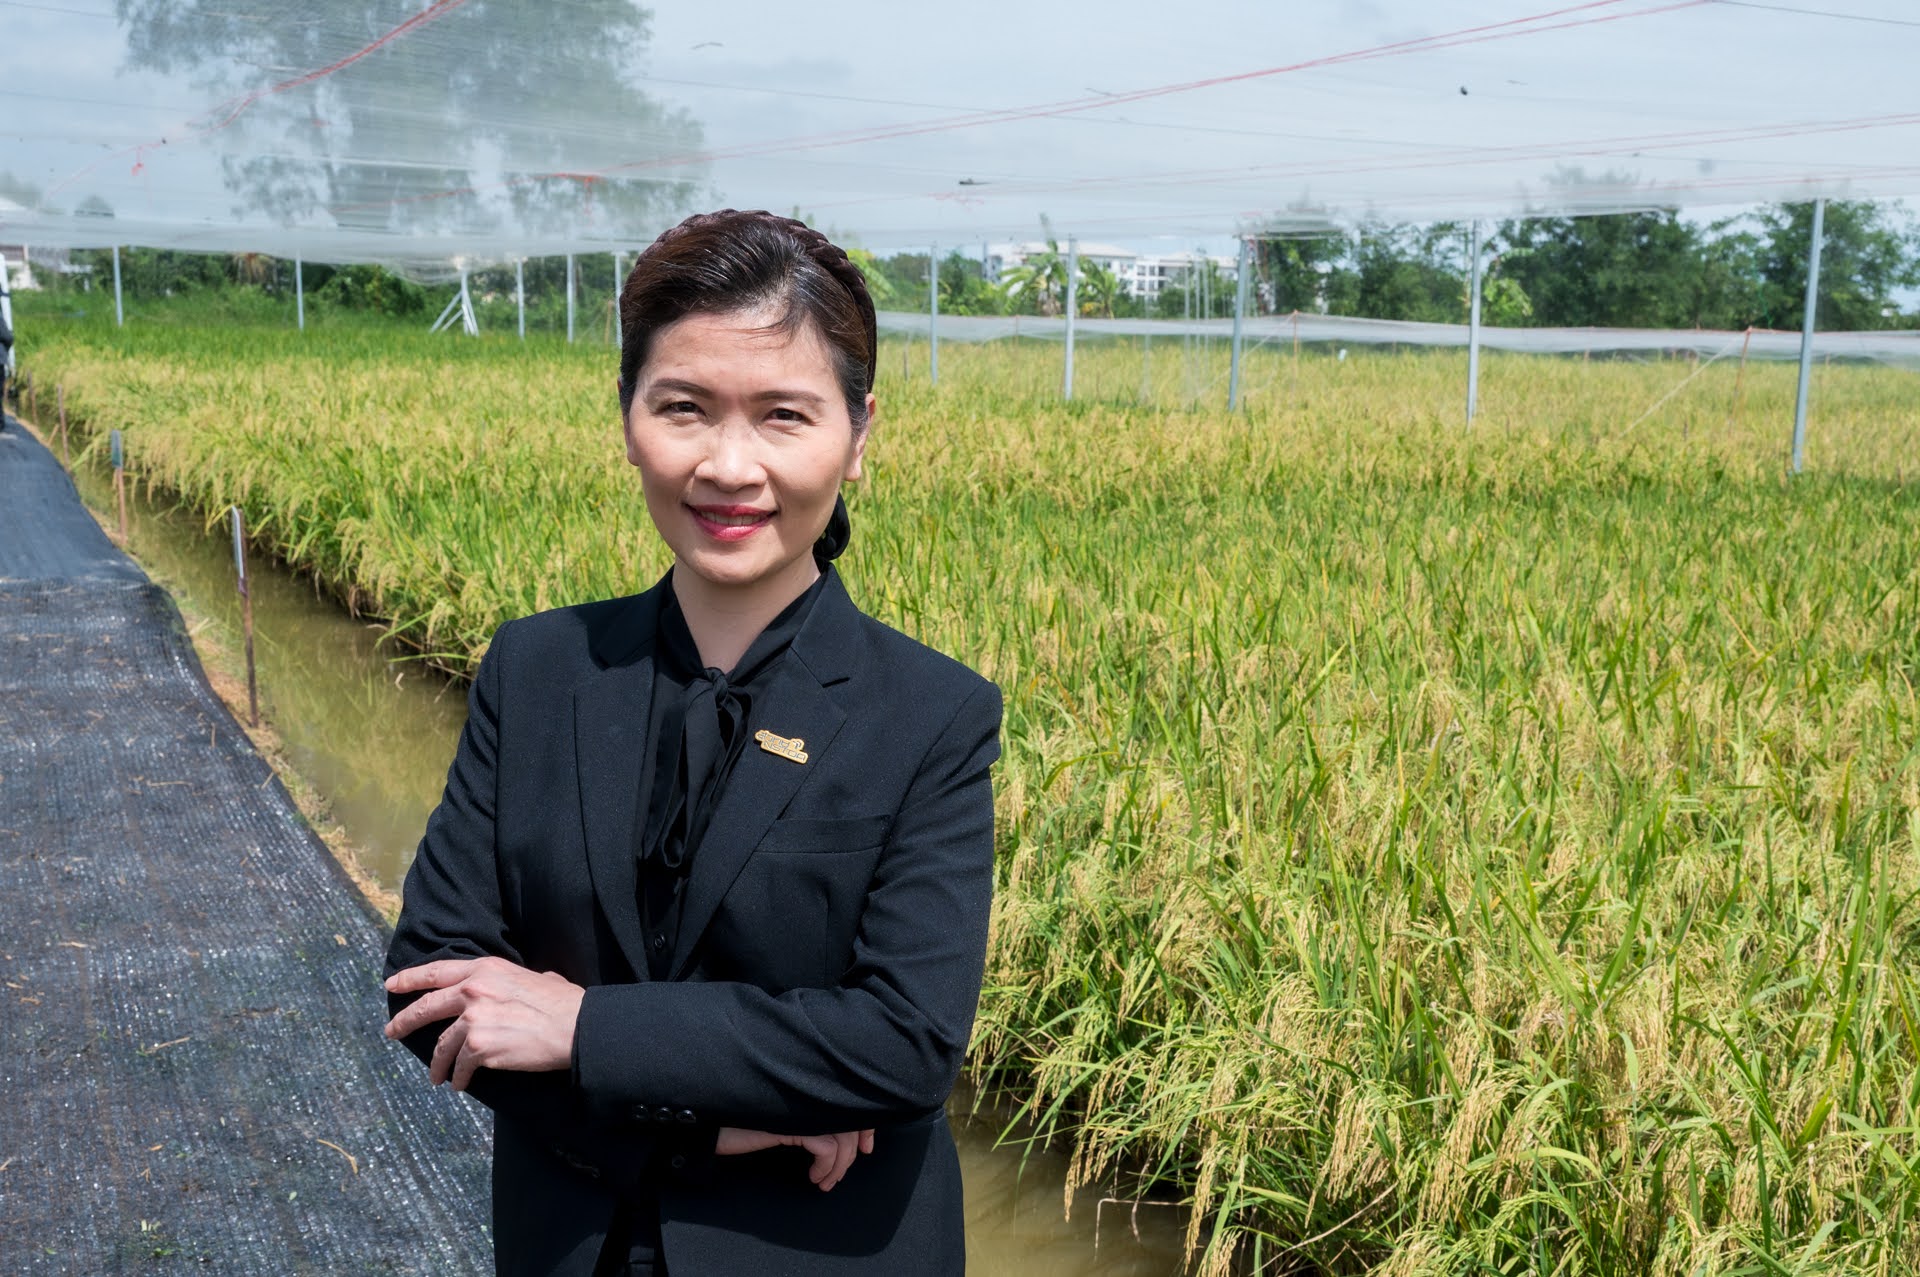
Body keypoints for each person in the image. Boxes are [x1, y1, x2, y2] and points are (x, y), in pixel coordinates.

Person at [382, 209, 1002, 1277]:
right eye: (684, 407)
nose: (729, 464)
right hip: (570, 1241)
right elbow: (430, 984)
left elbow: (904, 1042)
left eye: (783, 416)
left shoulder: (931, 713)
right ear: (628, 414)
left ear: (858, 436)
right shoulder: (538, 673)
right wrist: (722, 1119)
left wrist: (583, 1029)